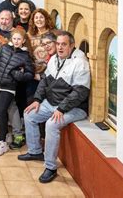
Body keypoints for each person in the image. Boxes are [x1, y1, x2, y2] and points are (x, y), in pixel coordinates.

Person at [18, 31, 90, 183]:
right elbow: (45, 81)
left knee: (51, 124)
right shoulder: (54, 59)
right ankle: (35, 151)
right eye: (58, 44)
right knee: (29, 114)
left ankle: (50, 167)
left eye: (64, 44)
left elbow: (80, 92)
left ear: (72, 45)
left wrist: (61, 109)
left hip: (74, 108)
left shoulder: (80, 63)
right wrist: (37, 99)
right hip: (53, 103)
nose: (60, 48)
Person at [0, 28, 34, 156]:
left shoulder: (25, 56)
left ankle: (2, 143)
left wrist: (17, 74)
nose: (16, 41)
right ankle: (5, 135)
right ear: (12, 39)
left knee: (1, 111)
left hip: (8, 87)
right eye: (15, 38)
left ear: (23, 41)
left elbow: (29, 74)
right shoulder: (4, 48)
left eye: (19, 39)